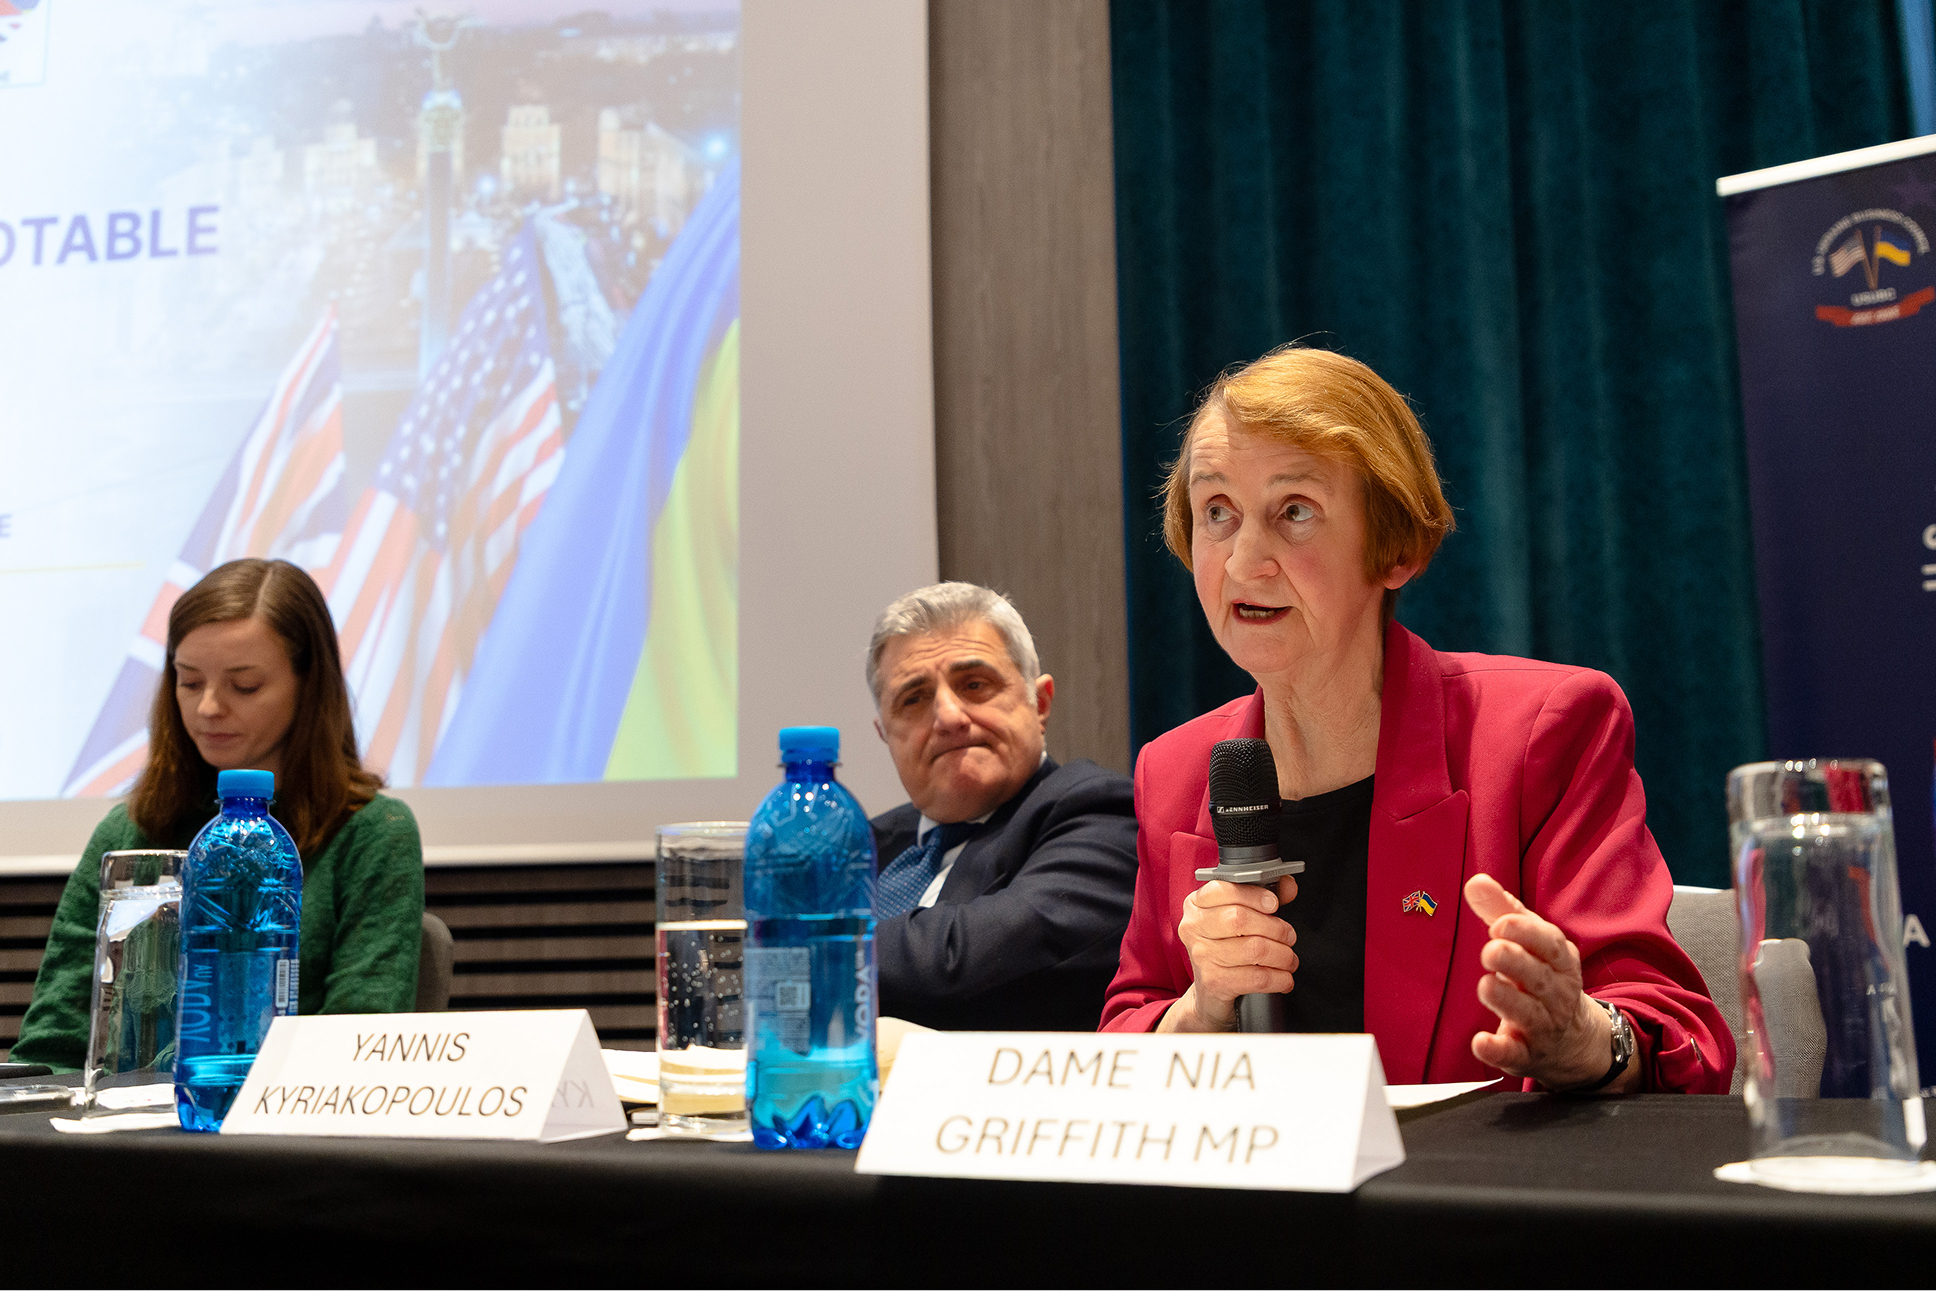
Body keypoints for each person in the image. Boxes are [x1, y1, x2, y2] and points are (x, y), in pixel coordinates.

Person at [1101, 346, 1733, 1094]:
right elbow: (1123, 1040)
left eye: (1294, 511)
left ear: (1394, 547)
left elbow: (1676, 1033)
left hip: (1479, 1171)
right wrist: (1198, 1013)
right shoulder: (1174, 771)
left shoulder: (1541, 732)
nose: (1243, 561)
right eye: (1217, 512)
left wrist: (1581, 1037)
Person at [11, 558, 425, 1071]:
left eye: (244, 686)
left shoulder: (372, 833)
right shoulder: (130, 831)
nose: (208, 707)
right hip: (127, 1120)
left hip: (290, 1117)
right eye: (189, 682)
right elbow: (52, 1049)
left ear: (308, 686)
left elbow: (360, 1050)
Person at [867, 582, 1138, 1031]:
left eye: (975, 685)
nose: (948, 717)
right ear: (885, 733)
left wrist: (804, 950)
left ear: (1040, 703)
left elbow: (965, 958)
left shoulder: (1097, 810)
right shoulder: (862, 844)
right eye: (913, 698)